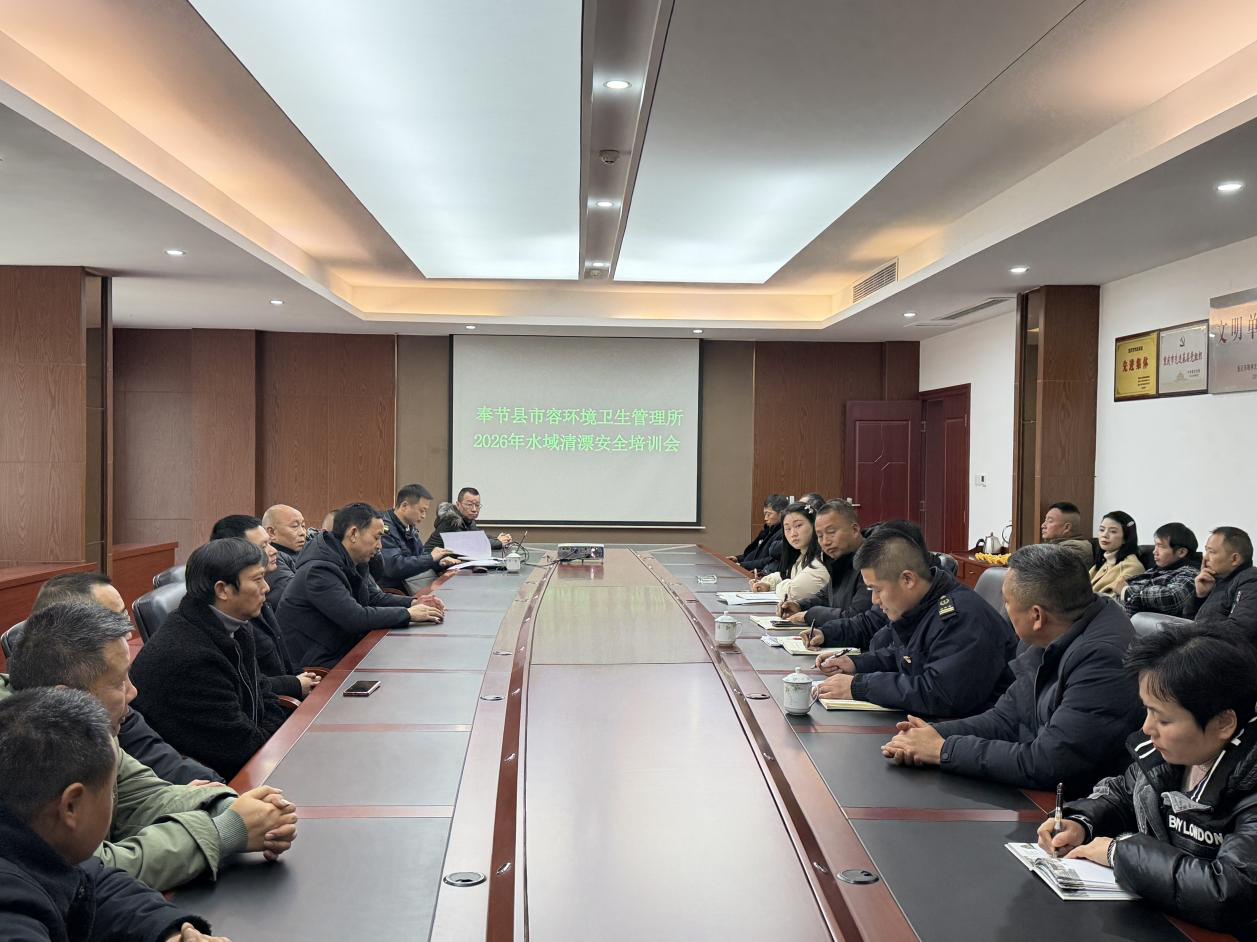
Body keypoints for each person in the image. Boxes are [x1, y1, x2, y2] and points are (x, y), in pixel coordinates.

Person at [5, 602, 298, 892]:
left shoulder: (83, 728)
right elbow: (88, 873)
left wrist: (229, 807)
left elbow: (145, 796)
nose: (133, 692)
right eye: (118, 683)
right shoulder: (16, 762)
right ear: (67, 699)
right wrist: (225, 830)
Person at [1040, 624, 1257, 936]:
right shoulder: (1170, 754)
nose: (1147, 728)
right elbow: (1122, 794)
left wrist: (1119, 852)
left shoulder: (1249, 780)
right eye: (1147, 711)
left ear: (1223, 722)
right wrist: (1081, 821)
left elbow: (1230, 892)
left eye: (1163, 718)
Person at [881, 544, 1143, 796]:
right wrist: (933, 735)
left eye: (1006, 601)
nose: (1004, 609)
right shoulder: (1056, 631)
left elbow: (1050, 762)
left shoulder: (1102, 659)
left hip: (1076, 807)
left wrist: (943, 750)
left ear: (1037, 616)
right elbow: (1007, 718)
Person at [0, 688, 229, 942]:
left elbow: (95, 886)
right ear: (71, 806)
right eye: (110, 791)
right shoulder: (11, 917)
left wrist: (170, 934)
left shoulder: (38, 846)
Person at [13, 572, 223, 785]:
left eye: (123, 617)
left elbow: (159, 765)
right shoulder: (31, 756)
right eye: (112, 622)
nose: (129, 634)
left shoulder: (111, 702)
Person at [131, 540, 290, 780]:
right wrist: (274, 728)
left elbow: (263, 693)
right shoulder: (191, 659)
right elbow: (242, 749)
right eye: (257, 579)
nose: (266, 587)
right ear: (222, 590)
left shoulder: (236, 628)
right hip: (215, 782)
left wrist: (269, 726)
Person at [814, 528, 1016, 717]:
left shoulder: (960, 617)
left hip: (968, 730)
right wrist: (855, 663)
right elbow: (906, 657)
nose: (874, 600)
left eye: (877, 589)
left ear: (908, 579)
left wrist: (860, 686)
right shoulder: (923, 605)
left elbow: (939, 693)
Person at [281, 503, 444, 668]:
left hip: (345, 647)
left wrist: (413, 603)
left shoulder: (353, 558)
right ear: (353, 534)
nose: (380, 546)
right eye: (376, 537)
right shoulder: (318, 571)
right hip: (319, 663)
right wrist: (408, 614)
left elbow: (373, 597)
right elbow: (354, 617)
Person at [209, 514, 318, 700]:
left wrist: (303, 678)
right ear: (235, 552)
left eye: (270, 543)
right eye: (263, 546)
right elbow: (248, 684)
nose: (273, 551)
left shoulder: (258, 596)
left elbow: (281, 662)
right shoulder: (235, 611)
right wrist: (294, 684)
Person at [778, 499, 871, 628]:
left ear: (854, 530)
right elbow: (826, 596)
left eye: (831, 533)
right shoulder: (841, 558)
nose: (826, 542)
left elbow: (857, 618)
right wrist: (799, 605)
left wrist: (810, 615)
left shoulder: (871, 562)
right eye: (820, 536)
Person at [378, 484, 460, 593]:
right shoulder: (383, 528)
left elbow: (420, 556)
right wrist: (431, 558)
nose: (424, 516)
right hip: (393, 591)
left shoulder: (409, 527)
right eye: (422, 510)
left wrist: (439, 562)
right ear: (404, 506)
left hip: (410, 585)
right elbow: (394, 567)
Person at [1184, 526, 1257, 642]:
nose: (1205, 558)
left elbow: (1240, 629)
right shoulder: (1217, 579)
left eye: (1211, 552)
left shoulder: (1250, 579)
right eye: (1206, 551)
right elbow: (1188, 620)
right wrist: (1200, 596)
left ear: (1234, 559)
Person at [749, 502, 830, 603]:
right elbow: (788, 575)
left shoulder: (823, 557)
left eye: (798, 526)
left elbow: (794, 592)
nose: (793, 534)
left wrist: (780, 586)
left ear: (814, 525)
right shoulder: (801, 554)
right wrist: (768, 584)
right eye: (787, 528)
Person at [1120, 522, 1201, 617]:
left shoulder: (1191, 573)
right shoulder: (1155, 570)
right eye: (1155, 545)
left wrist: (1127, 591)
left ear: (1181, 552)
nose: (1154, 551)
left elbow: (1172, 597)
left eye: (1161, 546)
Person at [425, 487, 512, 551]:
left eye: (477, 505)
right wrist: (499, 542)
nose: (474, 509)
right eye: (469, 504)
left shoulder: (468, 520)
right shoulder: (451, 520)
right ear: (458, 505)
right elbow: (469, 544)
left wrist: (499, 539)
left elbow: (478, 537)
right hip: (431, 565)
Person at [1089, 510, 1144, 596]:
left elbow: (1113, 601)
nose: (1104, 535)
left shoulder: (1132, 567)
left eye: (1113, 531)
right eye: (1102, 530)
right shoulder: (1104, 561)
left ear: (1126, 538)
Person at [260, 504, 307, 605]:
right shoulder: (273, 558)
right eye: (295, 526)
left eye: (303, 526)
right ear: (271, 532)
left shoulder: (305, 551)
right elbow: (296, 593)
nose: (303, 532)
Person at [732, 494, 788, 573]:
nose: (765, 518)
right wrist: (738, 559)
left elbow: (771, 559)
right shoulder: (769, 529)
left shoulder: (784, 533)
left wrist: (743, 565)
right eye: (765, 514)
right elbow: (756, 552)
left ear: (781, 513)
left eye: (769, 514)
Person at [1039, 500, 1096, 570]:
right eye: (1045, 520)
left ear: (1066, 527)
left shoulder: (1076, 548)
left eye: (1050, 521)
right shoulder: (1057, 545)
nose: (1043, 525)